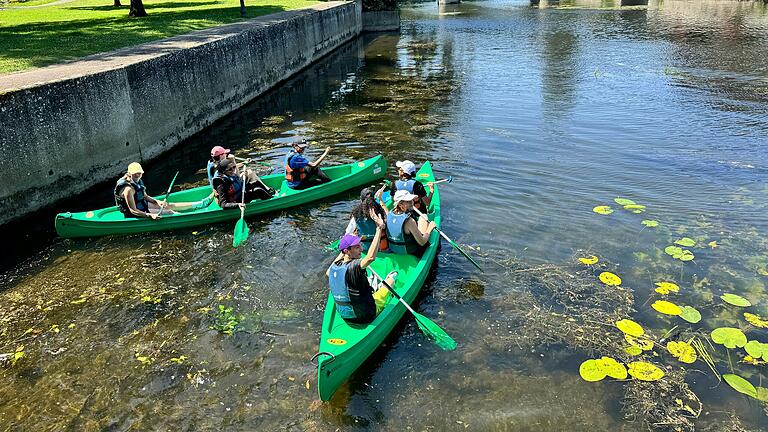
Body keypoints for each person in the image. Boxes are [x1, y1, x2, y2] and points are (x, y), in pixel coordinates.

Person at [326, 212, 397, 324]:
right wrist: (379, 229)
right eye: (356, 247)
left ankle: (372, 285)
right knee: (391, 279)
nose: (360, 248)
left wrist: (344, 251)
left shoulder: (333, 268)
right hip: (365, 315)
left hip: (345, 315)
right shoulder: (353, 267)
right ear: (347, 251)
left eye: (360, 245)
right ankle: (380, 286)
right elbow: (370, 258)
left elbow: (328, 272)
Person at [386, 189, 436, 255]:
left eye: (411, 200)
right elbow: (422, 242)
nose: (412, 203)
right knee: (424, 217)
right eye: (408, 202)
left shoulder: (389, 214)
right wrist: (429, 229)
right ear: (400, 204)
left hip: (394, 250)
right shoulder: (409, 221)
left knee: (423, 216)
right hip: (412, 252)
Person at [207, 146, 272, 194]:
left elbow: (230, 169)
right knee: (250, 173)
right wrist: (233, 160)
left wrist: (244, 163)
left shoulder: (213, 164)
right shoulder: (218, 168)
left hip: (229, 185)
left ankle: (267, 189)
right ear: (220, 156)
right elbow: (236, 176)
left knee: (249, 172)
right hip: (231, 190)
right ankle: (267, 190)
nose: (226, 154)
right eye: (224, 153)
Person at [345, 186, 389, 251]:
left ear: (361, 200)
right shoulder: (380, 212)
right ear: (374, 199)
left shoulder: (356, 215)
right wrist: (380, 199)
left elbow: (348, 233)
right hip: (382, 249)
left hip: (364, 250)